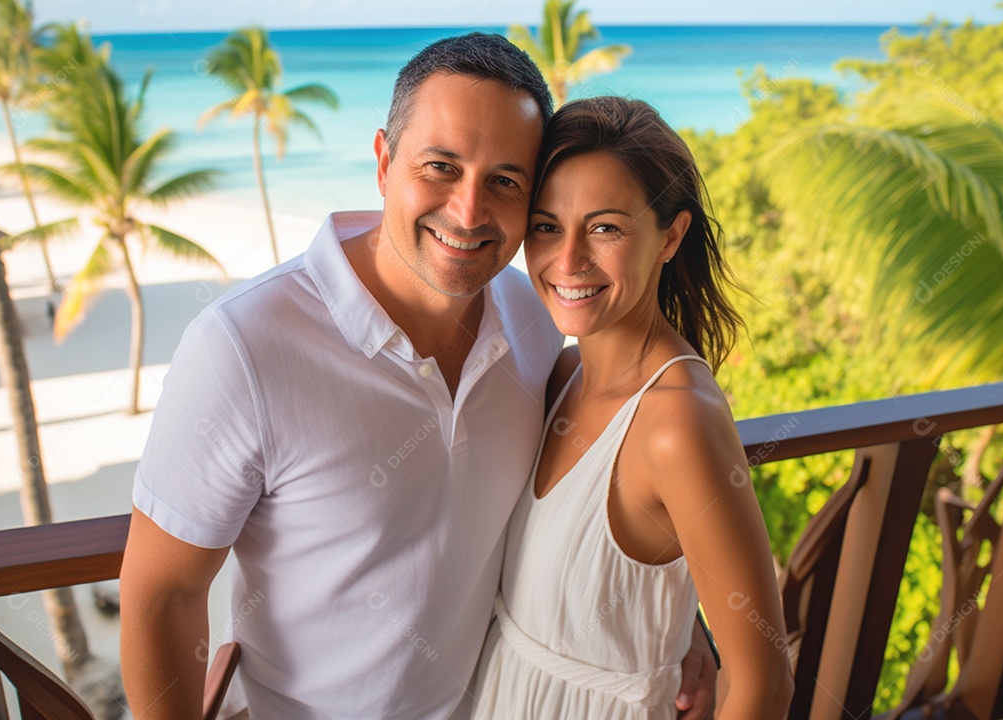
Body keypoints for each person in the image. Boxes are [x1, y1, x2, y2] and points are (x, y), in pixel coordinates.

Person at [119, 34, 718, 720]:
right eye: (441, 166)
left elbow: (596, 484)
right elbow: (161, 595)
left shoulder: (533, 315)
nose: (468, 211)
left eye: (505, 181)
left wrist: (682, 620)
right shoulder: (242, 346)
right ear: (383, 162)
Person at [470, 97, 794, 718]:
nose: (567, 261)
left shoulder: (677, 423)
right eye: (545, 226)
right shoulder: (562, 374)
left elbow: (764, 685)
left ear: (671, 236)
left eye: (605, 228)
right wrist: (684, 627)